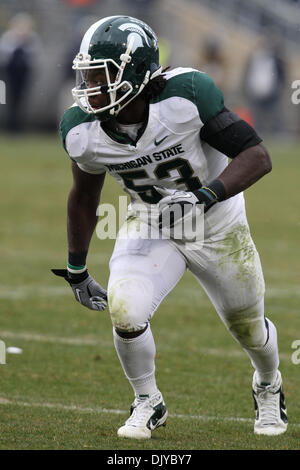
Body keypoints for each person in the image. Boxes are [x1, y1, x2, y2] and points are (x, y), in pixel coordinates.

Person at [53, 15, 288, 439]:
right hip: (152, 222)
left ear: (139, 75)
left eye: (101, 76)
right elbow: (85, 197)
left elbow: (256, 156)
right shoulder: (83, 130)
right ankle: (148, 400)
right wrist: (76, 267)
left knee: (250, 328)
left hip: (217, 222)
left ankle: (268, 383)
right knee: (125, 310)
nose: (90, 87)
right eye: (86, 74)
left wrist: (205, 195)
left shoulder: (185, 97)